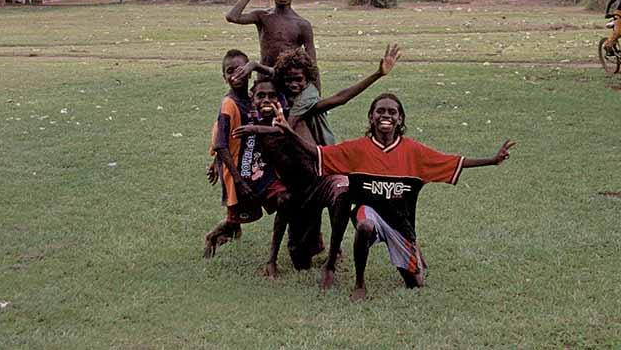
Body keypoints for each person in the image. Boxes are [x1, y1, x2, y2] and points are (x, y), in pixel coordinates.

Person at [274, 92, 515, 301]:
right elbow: (318, 153)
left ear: (400, 119)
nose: (385, 115)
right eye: (380, 111)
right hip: (368, 214)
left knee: (416, 283)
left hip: (400, 223)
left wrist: (491, 161)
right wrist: (288, 131)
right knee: (365, 226)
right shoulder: (357, 149)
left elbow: (453, 161)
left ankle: (414, 247)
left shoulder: (414, 152)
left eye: (392, 112)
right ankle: (359, 283)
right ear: (371, 117)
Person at [232, 44, 401, 287]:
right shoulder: (271, 107)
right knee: (300, 258)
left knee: (342, 190)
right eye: (288, 81)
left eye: (299, 80)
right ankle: (281, 256)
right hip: (298, 190)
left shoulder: (306, 107)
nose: (293, 85)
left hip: (321, 178)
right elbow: (236, 141)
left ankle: (331, 261)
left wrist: (378, 74)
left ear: (308, 80)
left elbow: (341, 98)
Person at [202, 51, 290, 264]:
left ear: (249, 72)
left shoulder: (253, 98)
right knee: (238, 218)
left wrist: (257, 66)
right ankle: (213, 237)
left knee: (284, 199)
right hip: (237, 174)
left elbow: (279, 79)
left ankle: (273, 256)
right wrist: (234, 177)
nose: (236, 74)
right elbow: (220, 142)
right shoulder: (229, 104)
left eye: (241, 69)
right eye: (230, 71)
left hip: (259, 169)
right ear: (224, 77)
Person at [225, 0, 319, 90]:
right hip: (265, 82)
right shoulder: (262, 16)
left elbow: (312, 65)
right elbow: (232, 16)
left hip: (288, 82)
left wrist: (317, 97)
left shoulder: (302, 25)